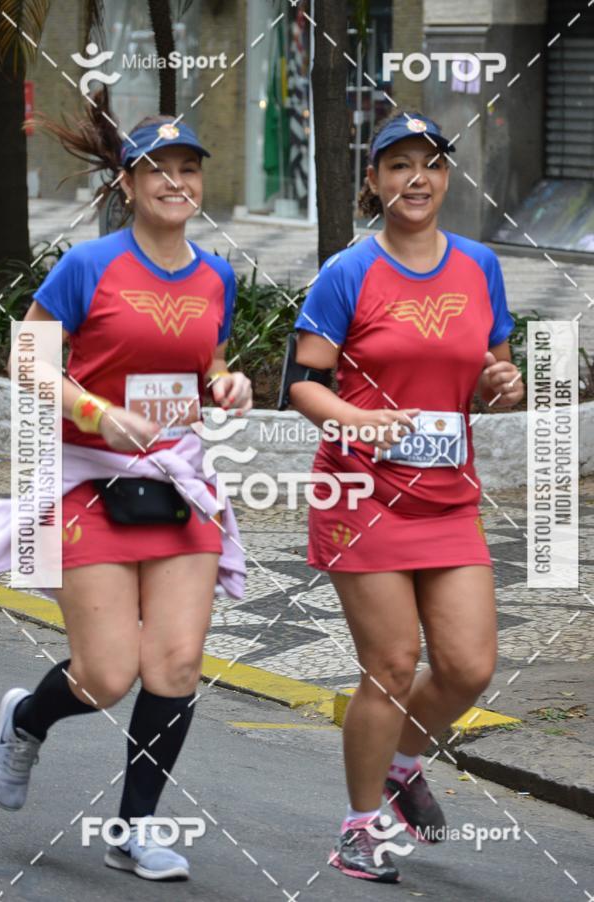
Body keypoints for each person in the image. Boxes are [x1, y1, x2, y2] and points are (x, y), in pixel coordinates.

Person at [0, 90, 252, 881]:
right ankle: (25, 720)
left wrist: (225, 384)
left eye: (188, 169)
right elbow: (26, 359)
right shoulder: (88, 265)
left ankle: (135, 828)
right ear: (129, 185)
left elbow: (201, 365)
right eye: (158, 170)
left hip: (177, 481)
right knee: (106, 674)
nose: (176, 181)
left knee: (173, 664)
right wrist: (95, 411)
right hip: (90, 479)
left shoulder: (216, 277)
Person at [288, 111, 524, 882]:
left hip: (448, 495)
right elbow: (302, 382)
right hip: (363, 493)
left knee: (467, 666)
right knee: (391, 663)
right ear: (374, 181)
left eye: (429, 165)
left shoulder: (480, 265)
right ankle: (359, 828)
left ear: (447, 179)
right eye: (397, 166)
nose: (415, 179)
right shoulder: (347, 271)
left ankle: (402, 763)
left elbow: (494, 373)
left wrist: (502, 383)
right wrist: (360, 420)